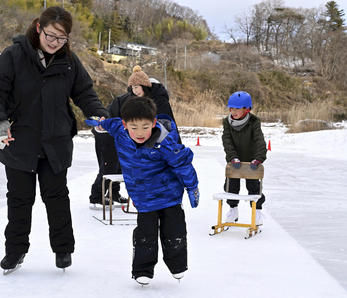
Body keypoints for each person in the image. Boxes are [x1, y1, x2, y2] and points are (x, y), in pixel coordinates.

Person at [0, 6, 109, 272]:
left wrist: (99, 116)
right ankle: (15, 251)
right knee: (19, 198)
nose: (55, 43)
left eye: (62, 38)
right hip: (19, 141)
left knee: (57, 196)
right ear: (39, 27)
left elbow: (85, 92)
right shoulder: (14, 56)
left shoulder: (69, 61)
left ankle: (63, 250)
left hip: (56, 142)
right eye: (51, 35)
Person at [88, 97, 199, 285]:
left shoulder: (165, 143)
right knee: (145, 235)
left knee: (174, 231)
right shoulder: (121, 132)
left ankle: (177, 265)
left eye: (145, 127)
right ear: (125, 125)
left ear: (154, 123)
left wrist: (192, 187)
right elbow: (110, 123)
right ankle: (143, 270)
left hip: (169, 196)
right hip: (144, 198)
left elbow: (183, 165)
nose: (140, 133)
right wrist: (99, 124)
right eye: (134, 127)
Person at [88, 65, 180, 210]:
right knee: (109, 166)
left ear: (146, 85)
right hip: (106, 133)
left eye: (137, 87)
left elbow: (166, 124)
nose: (135, 91)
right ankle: (96, 197)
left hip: (125, 136)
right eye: (133, 88)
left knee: (120, 165)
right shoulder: (132, 99)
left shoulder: (157, 100)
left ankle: (114, 194)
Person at [221, 91, 267, 225]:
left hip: (251, 160)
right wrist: (232, 157)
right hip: (234, 160)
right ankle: (233, 210)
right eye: (231, 108)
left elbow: (260, 141)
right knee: (231, 186)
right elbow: (227, 140)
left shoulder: (254, 122)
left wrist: (258, 158)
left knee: (253, 186)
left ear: (246, 109)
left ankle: (257, 211)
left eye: (237, 108)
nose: (233, 111)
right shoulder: (227, 122)